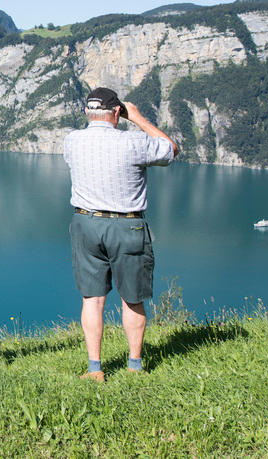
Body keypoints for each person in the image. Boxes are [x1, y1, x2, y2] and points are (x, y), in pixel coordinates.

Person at [63, 87, 179, 381]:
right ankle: (134, 365)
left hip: (85, 223)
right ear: (116, 113)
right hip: (127, 226)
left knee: (92, 299)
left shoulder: (72, 141)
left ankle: (95, 368)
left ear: (88, 113)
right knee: (132, 298)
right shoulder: (136, 142)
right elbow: (171, 149)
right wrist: (138, 118)